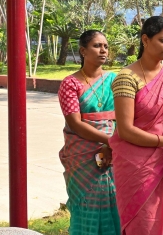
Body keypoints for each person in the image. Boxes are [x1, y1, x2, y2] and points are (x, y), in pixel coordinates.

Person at [110, 16, 163, 234]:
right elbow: (126, 130)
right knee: (143, 223)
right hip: (136, 165)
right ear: (145, 40)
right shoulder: (126, 78)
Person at [58, 30, 121, 235]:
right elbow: (75, 123)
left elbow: (124, 116)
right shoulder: (71, 83)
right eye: (97, 45)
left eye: (105, 46)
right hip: (82, 153)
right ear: (83, 51)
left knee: (116, 200)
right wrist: (109, 140)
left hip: (115, 151)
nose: (103, 50)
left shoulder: (115, 80)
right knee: (86, 202)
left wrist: (116, 142)